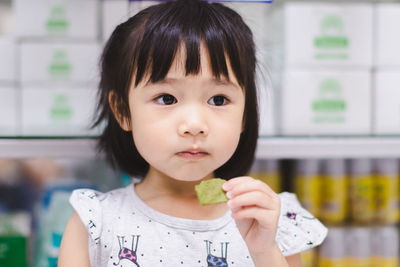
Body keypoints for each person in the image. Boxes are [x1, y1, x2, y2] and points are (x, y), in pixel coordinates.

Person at [59, 0, 327, 266]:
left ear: (245, 114)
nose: (195, 124)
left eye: (219, 100)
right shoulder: (94, 223)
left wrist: (264, 252)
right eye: (166, 98)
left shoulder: (271, 219)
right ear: (123, 112)